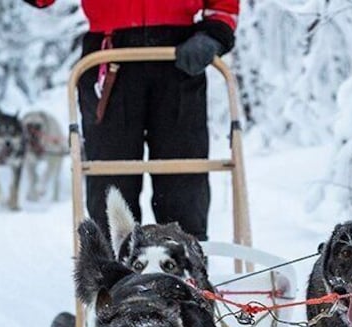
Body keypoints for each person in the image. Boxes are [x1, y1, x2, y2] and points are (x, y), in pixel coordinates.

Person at [22, 0, 240, 242]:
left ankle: (185, 264)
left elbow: (224, 6)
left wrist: (215, 32)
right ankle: (113, 270)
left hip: (181, 56)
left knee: (182, 175)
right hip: (109, 57)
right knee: (111, 180)